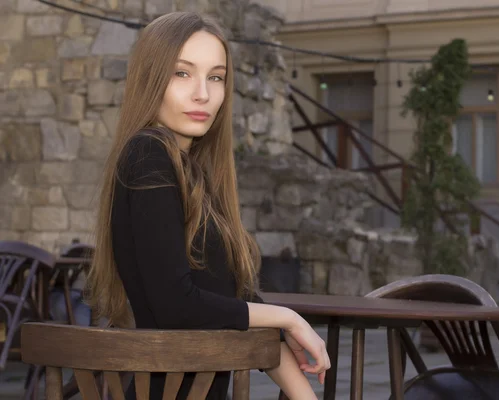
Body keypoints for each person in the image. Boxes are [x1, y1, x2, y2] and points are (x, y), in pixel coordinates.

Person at [85, 11, 329, 400]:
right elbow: (176, 306)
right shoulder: (148, 154)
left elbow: (238, 305)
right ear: (151, 79)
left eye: (216, 77)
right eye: (182, 73)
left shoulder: (195, 174)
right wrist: (288, 317)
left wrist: (302, 385)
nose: (203, 93)